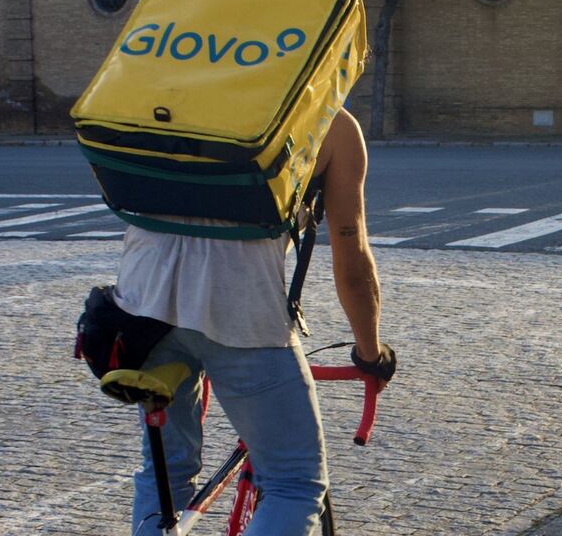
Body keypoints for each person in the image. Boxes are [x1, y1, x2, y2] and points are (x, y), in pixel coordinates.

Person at [113, 107, 394, 536]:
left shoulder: (167, 91)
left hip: (139, 306)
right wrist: (371, 354)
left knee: (164, 475)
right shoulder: (328, 120)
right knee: (294, 484)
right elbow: (351, 256)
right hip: (239, 311)